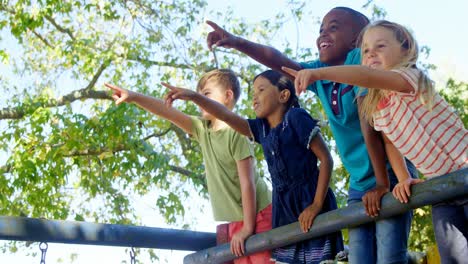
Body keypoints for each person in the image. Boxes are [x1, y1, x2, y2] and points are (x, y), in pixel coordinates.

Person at [206, 7, 417, 263]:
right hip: (359, 183)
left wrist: (383, 183)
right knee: (360, 258)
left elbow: (370, 125)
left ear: (357, 38)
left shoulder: (359, 61)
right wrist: (237, 42)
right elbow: (279, 61)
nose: (323, 34)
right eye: (321, 29)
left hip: (391, 174)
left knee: (389, 257)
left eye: (334, 27)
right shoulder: (320, 75)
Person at [285, 19, 468, 264]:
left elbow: (366, 76)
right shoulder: (379, 106)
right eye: (366, 51)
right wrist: (403, 178)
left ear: (405, 48)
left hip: (464, 171)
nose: (371, 54)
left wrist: (318, 73)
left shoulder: (408, 78)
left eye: (380, 46)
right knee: (454, 258)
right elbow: (391, 142)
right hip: (441, 189)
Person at [163, 70, 344, 264]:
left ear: (283, 95)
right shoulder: (260, 129)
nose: (255, 97)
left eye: (261, 89)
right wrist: (194, 97)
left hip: (310, 200)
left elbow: (326, 159)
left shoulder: (296, 118)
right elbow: (224, 115)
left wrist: (316, 205)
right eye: (252, 94)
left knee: (320, 259)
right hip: (283, 211)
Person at [105, 69, 274, 264]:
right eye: (199, 96)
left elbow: (248, 183)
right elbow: (167, 111)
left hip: (258, 215)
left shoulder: (237, 132)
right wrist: (133, 97)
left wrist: (247, 228)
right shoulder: (203, 130)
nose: (200, 101)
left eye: (206, 95)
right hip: (236, 220)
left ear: (228, 96)